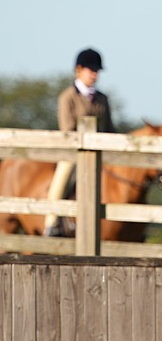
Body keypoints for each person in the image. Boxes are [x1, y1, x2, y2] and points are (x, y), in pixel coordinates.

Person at [44, 48, 116, 237]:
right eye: (90, 70)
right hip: (73, 152)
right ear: (79, 70)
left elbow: (110, 129)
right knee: (63, 177)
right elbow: (67, 130)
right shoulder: (67, 97)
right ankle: (51, 221)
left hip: (100, 152)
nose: (94, 74)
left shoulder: (102, 99)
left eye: (97, 71)